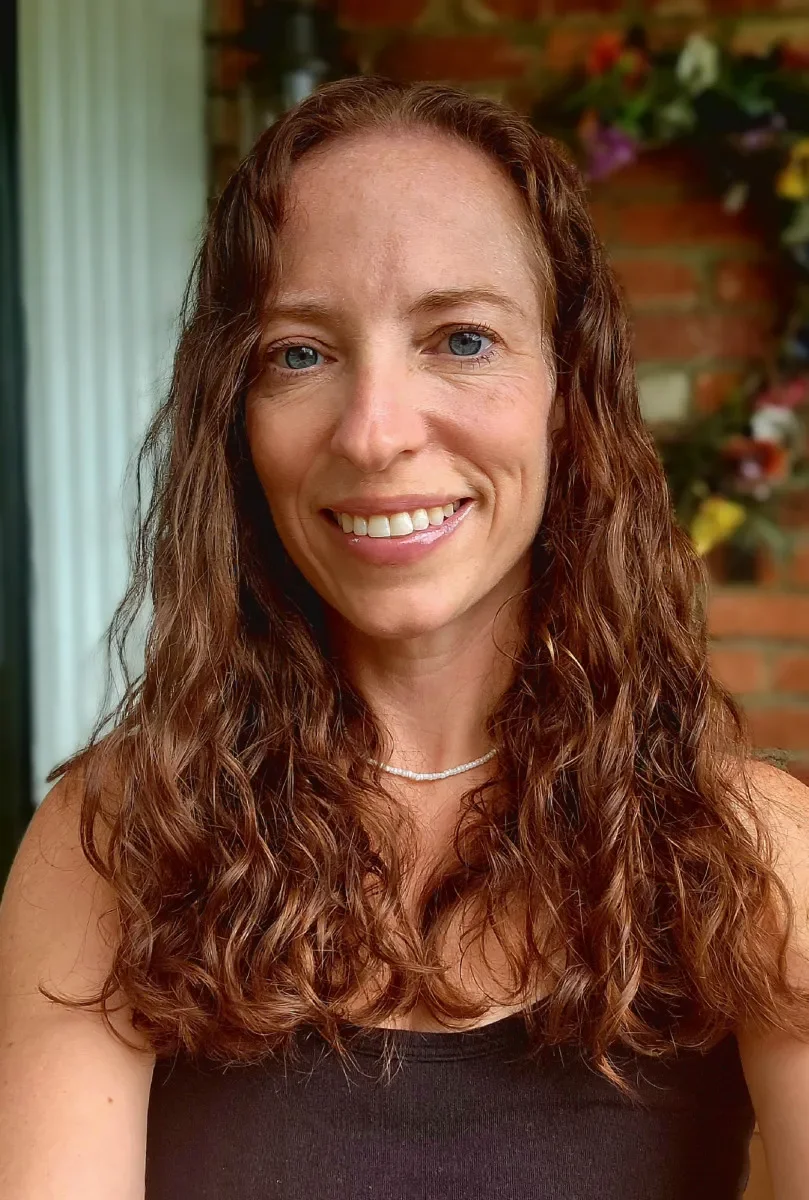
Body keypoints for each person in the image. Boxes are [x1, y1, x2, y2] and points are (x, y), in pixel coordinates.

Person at [2, 75, 809, 1200]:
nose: (375, 431)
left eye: (461, 339)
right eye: (298, 353)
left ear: (565, 395)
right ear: (234, 420)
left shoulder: (751, 854)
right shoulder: (110, 845)